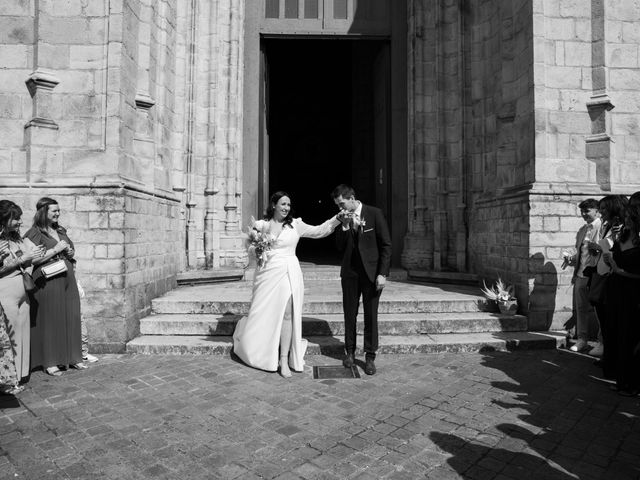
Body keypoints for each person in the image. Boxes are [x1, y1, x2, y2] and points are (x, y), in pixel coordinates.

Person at [233, 191, 340, 377]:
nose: (286, 208)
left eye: (288, 205)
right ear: (273, 205)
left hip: (289, 271)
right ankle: (264, 350)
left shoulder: (295, 225)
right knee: (265, 313)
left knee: (288, 313)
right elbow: (251, 250)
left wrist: (337, 219)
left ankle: (284, 359)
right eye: (283, 204)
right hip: (267, 274)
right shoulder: (261, 225)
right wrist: (257, 250)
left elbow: (319, 230)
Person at [332, 184, 392, 375]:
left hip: (372, 274)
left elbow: (386, 245)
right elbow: (339, 247)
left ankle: (370, 356)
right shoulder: (342, 218)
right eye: (338, 205)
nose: (340, 208)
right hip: (350, 273)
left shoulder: (374, 214)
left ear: (351, 198)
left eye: (342, 203)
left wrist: (382, 274)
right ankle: (349, 352)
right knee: (349, 314)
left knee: (370, 315)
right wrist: (344, 225)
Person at [24, 197, 84, 376]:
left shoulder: (60, 230)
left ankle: (73, 357)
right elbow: (31, 259)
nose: (58, 213)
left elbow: (69, 250)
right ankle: (49, 361)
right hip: (48, 279)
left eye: (59, 210)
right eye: (54, 211)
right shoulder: (34, 233)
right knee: (50, 319)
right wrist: (56, 249)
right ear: (43, 212)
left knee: (70, 315)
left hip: (67, 277)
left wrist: (70, 251)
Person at [0, 200, 44, 390]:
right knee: (7, 338)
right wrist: (22, 259)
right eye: (15, 219)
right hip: (5, 292)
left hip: (22, 293)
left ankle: (18, 375)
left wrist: (32, 258)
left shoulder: (17, 238)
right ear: (4, 219)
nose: (19, 222)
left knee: (21, 333)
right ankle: (6, 382)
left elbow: (26, 261)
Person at [603, 192, 640, 396]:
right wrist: (611, 262)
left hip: (632, 294)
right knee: (617, 333)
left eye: (628, 219)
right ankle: (621, 379)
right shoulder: (623, 236)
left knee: (630, 336)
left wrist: (620, 271)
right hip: (616, 290)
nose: (625, 222)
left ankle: (631, 384)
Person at [591, 195, 628, 379]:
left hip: (613, 276)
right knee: (604, 319)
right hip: (602, 273)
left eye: (604, 208)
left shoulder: (622, 228)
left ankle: (612, 358)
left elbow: (618, 250)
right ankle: (608, 354)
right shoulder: (606, 226)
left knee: (611, 321)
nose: (601, 212)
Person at [562, 199, 602, 353]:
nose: (584, 214)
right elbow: (581, 253)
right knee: (580, 309)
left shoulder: (602, 227)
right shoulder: (582, 230)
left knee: (599, 310)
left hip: (596, 275)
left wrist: (598, 248)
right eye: (582, 211)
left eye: (587, 211)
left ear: (597, 211)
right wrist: (572, 259)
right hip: (580, 275)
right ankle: (582, 339)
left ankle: (601, 342)